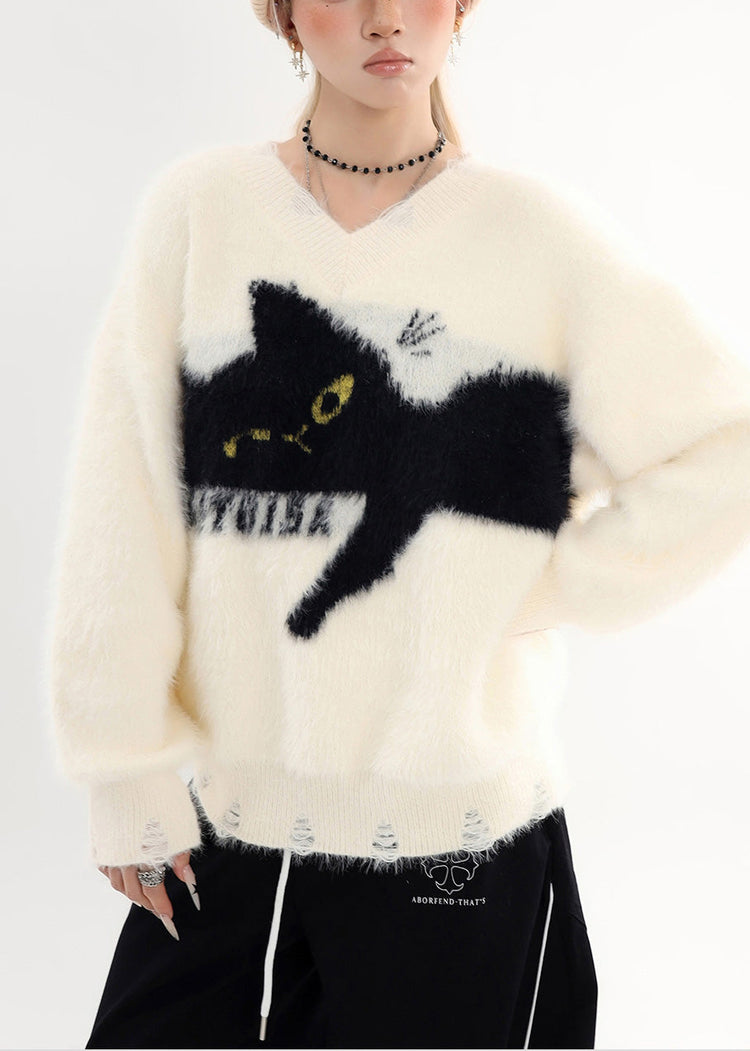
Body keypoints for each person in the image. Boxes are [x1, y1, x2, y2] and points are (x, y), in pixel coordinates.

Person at [44, 1, 750, 1048]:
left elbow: (724, 444)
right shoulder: (201, 214)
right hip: (224, 834)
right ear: (286, 13)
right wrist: (122, 767)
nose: (384, 17)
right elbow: (125, 504)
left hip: (457, 852)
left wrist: (529, 585)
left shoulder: (535, 238)